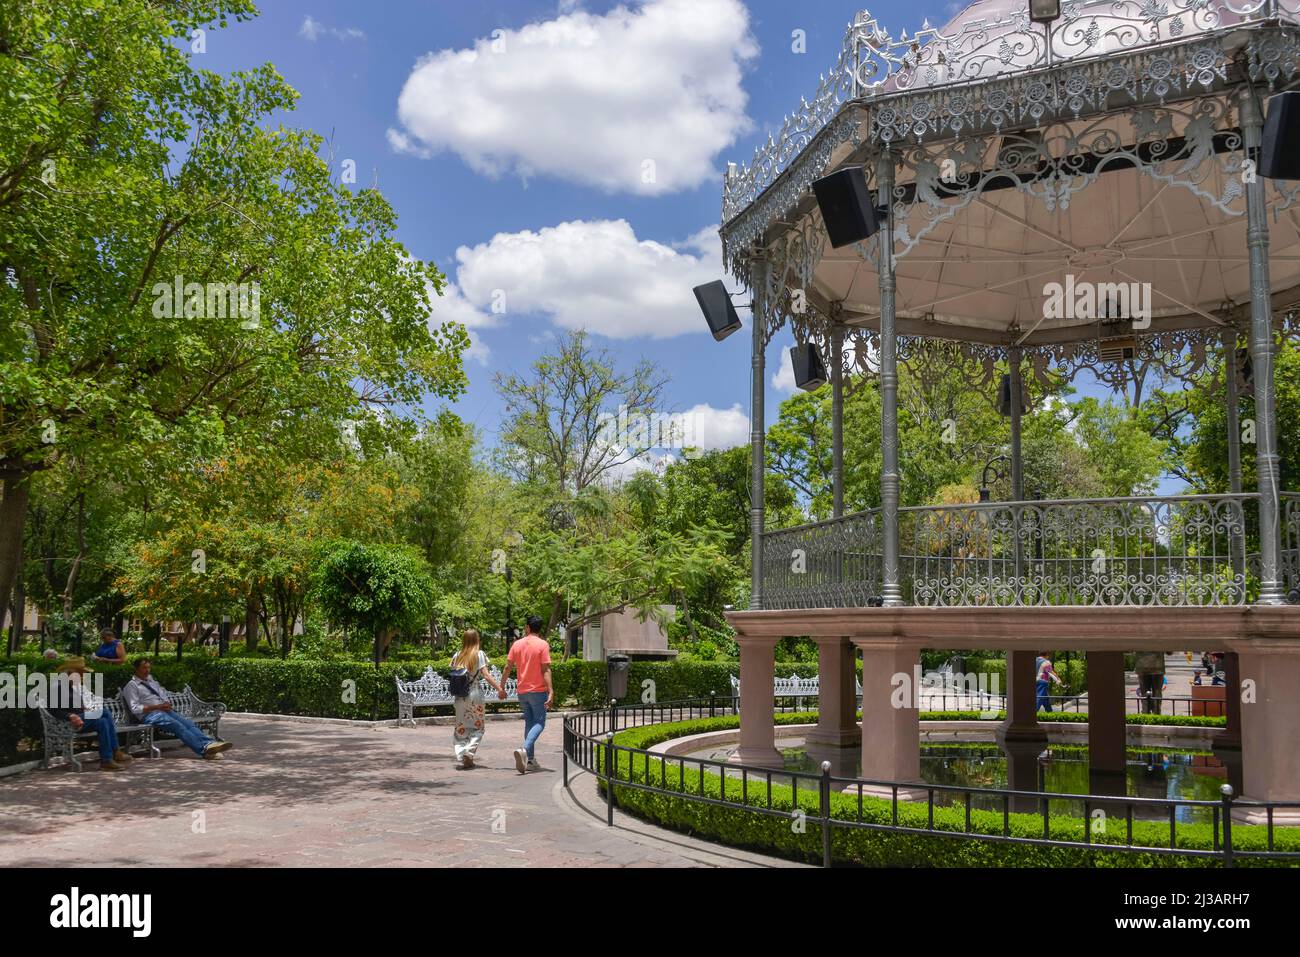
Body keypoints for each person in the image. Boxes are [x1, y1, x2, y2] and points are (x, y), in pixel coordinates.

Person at [121, 658, 231, 759]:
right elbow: (135, 708)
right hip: (150, 715)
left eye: (149, 667)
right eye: (144, 668)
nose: (147, 670)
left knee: (188, 724)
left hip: (164, 710)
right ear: (136, 669)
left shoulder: (151, 681)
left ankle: (209, 744)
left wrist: (166, 703)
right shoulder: (132, 685)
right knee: (178, 726)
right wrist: (157, 706)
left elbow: (162, 694)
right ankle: (205, 751)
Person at [47, 657, 134, 771]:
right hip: (66, 723)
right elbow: (53, 710)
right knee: (104, 712)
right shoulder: (57, 686)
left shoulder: (71, 686)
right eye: (81, 673)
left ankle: (106, 761)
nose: (83, 676)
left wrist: (83, 709)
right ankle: (115, 751)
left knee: (102, 722)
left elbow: (72, 706)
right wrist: (70, 716)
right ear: (71, 672)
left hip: (80, 720)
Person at [501, 615, 553, 774]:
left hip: (522, 691)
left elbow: (507, 667)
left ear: (527, 627)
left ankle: (529, 760)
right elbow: (545, 670)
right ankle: (524, 750)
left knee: (529, 723)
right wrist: (551, 690)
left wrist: (501, 687)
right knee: (539, 723)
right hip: (537, 691)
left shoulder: (517, 644)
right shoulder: (543, 645)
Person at [450, 629, 506, 769]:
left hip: (460, 695)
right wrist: (499, 689)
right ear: (476, 640)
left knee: (461, 726)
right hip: (475, 694)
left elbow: (453, 672)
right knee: (478, 727)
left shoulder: (457, 655)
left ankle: (463, 753)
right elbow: (486, 676)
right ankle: (470, 751)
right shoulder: (479, 654)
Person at [1134, 650, 1165, 715]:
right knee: (1157, 693)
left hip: (1142, 665)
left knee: (1144, 693)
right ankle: (1156, 715)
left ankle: (1145, 714)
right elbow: (1169, 651)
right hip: (1157, 666)